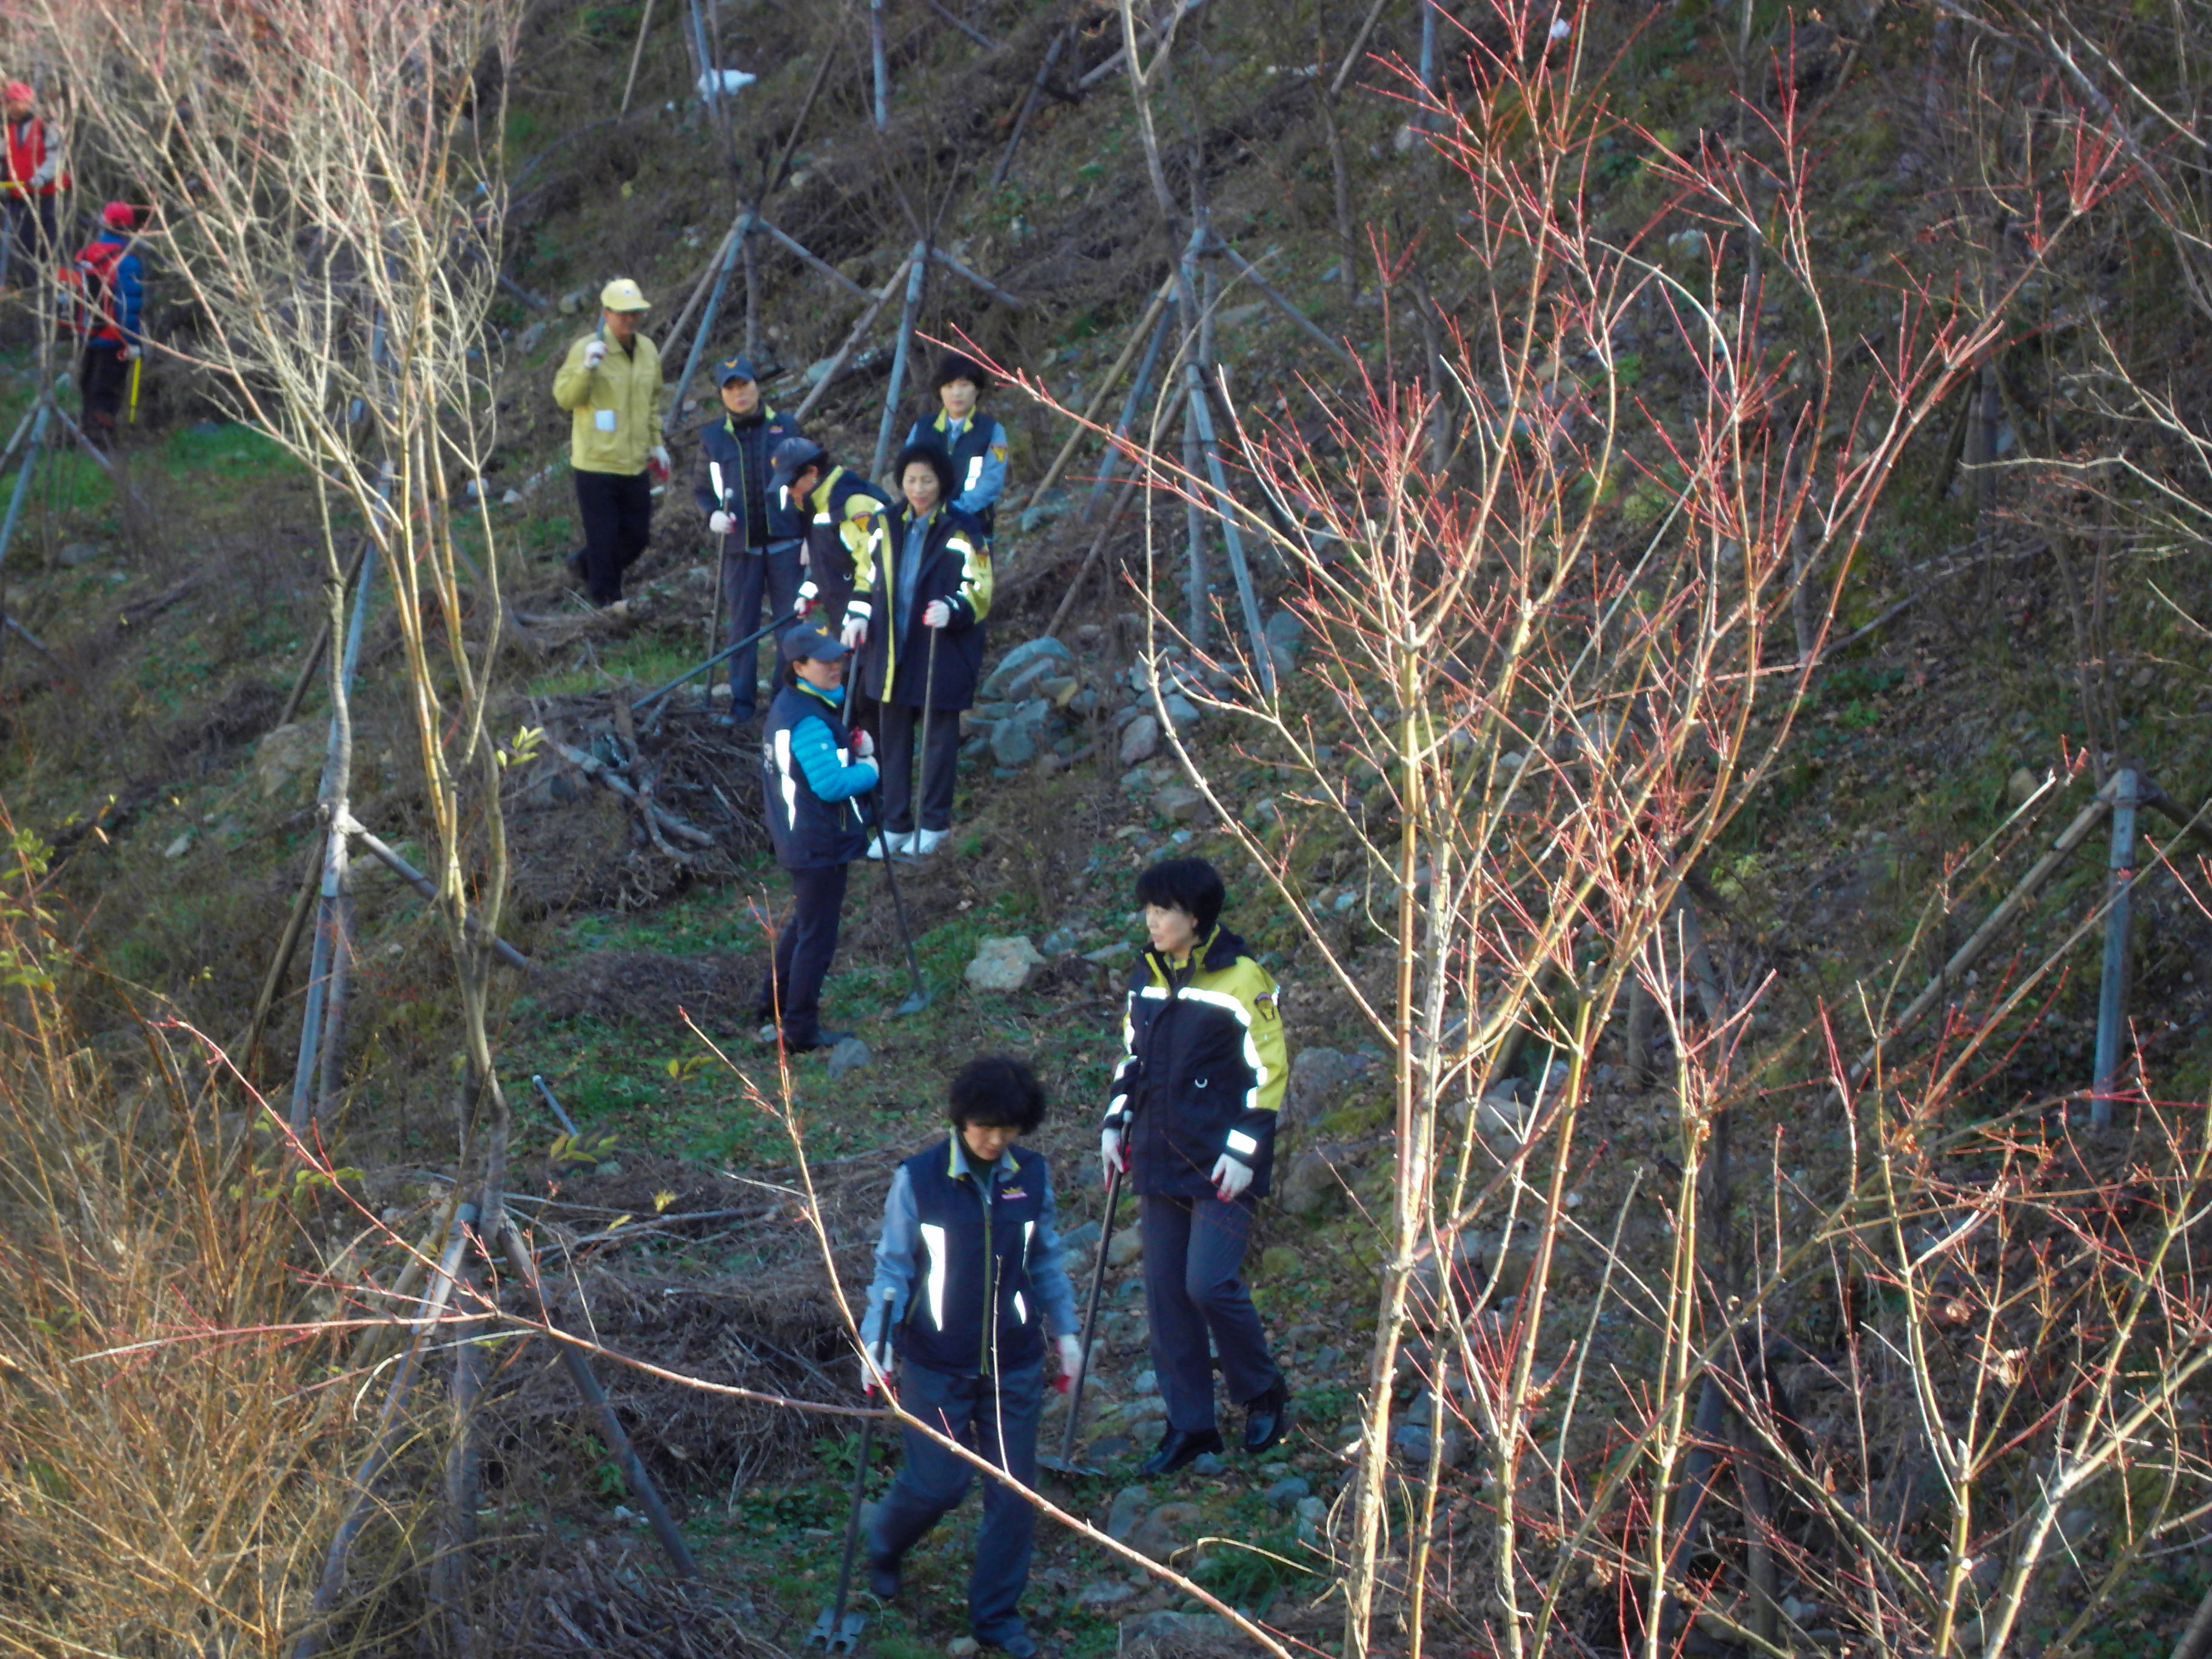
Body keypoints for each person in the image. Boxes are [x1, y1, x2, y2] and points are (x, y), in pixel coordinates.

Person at [859, 1053, 1082, 1659]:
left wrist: (1065, 1333)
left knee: (1014, 1494)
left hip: (1014, 1362)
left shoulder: (1030, 1176)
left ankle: (996, 1617)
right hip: (936, 1360)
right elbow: (893, 1267)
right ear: (961, 1120)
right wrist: (877, 1341)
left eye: (1007, 1129)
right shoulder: (919, 1179)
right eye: (985, 1127)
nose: (995, 1140)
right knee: (938, 1484)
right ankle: (884, 1543)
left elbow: (1045, 1259)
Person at [1099, 857, 1292, 1476]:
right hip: (1158, 1155)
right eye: (1149, 909)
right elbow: (1133, 1058)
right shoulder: (1147, 973)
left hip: (1222, 1163)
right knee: (1165, 1297)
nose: (1151, 921)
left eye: (1164, 911)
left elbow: (1269, 1072)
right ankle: (1191, 1425)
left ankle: (1261, 1390)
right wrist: (1115, 1123)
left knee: (1207, 1283)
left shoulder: (1241, 978)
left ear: (1196, 916)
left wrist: (1244, 1152)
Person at [847, 441, 990, 861]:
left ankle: (933, 824)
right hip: (890, 647)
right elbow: (865, 574)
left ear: (942, 482)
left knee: (938, 740)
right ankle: (895, 824)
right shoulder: (884, 523)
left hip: (940, 647)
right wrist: (858, 615)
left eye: (927, 480)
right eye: (911, 480)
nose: (919, 489)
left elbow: (980, 585)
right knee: (891, 740)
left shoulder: (964, 528)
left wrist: (954, 608)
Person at [756, 623, 878, 1053]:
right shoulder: (807, 720)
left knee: (803, 927)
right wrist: (870, 768)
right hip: (818, 843)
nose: (835, 665)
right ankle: (800, 1029)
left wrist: (847, 748)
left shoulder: (792, 706)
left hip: (800, 839)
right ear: (799, 667)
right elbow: (830, 785)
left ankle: (770, 1003)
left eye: (837, 657)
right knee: (817, 938)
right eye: (824, 661)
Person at [689, 354, 804, 723]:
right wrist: (712, 515)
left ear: (757, 385)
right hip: (739, 547)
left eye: (745, 385)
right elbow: (702, 490)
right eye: (731, 388)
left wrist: (811, 537)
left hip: (788, 542)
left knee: (792, 624)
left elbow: (810, 482)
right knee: (742, 627)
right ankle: (742, 706)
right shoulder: (712, 438)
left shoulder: (787, 427)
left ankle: (787, 700)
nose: (740, 394)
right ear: (722, 395)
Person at [551, 277, 669, 607]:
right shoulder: (587, 348)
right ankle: (607, 606)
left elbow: (652, 400)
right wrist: (586, 368)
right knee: (603, 541)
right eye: (622, 313)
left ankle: (584, 565)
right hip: (596, 465)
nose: (630, 319)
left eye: (635, 313)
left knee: (637, 537)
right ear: (606, 314)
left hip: (634, 462)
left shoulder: (647, 350)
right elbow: (565, 398)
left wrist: (656, 443)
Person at [767, 436, 890, 627]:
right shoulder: (817, 505)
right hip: (844, 618)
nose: (790, 491)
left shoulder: (851, 504)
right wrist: (809, 593)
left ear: (812, 472)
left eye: (791, 483)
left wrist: (859, 612)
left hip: (871, 621)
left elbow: (874, 561)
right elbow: (831, 561)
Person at [904, 352, 1008, 540]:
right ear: (940, 391)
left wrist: (954, 510)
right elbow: (906, 472)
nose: (956, 393)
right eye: (949, 386)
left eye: (964, 385)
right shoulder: (922, 428)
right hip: (924, 527)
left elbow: (992, 481)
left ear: (977, 390)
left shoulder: (992, 430)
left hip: (974, 527)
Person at [69, 202, 142, 447]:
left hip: (86, 335)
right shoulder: (127, 261)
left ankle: (86, 436)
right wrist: (132, 342)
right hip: (114, 340)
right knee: (107, 392)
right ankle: (102, 442)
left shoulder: (83, 255)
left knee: (89, 388)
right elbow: (129, 307)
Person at [0, 83, 63, 293]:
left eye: (10, 101)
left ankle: (53, 286)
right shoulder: (7, 128)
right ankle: (30, 287)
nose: (7, 107)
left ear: (25, 102)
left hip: (48, 196)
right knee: (24, 244)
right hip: (19, 197)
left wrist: (41, 177)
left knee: (50, 243)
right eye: (5, 102)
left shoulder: (47, 126)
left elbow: (56, 158)